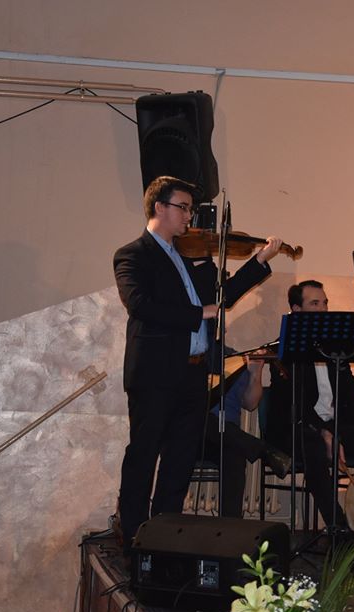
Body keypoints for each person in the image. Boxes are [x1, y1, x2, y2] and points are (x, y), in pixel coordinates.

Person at [113, 175, 283, 551]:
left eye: (190, 209)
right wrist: (196, 313)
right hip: (155, 374)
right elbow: (139, 304)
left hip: (193, 374)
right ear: (160, 207)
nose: (189, 216)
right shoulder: (133, 254)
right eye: (184, 207)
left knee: (180, 460)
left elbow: (221, 299)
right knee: (144, 454)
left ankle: (164, 536)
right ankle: (135, 537)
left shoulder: (189, 258)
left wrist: (258, 261)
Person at [267, 280, 354, 531]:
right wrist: (324, 432)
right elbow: (296, 405)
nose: (323, 309)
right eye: (315, 304)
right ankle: (339, 528)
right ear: (296, 310)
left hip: (332, 427)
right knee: (313, 446)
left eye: (325, 303)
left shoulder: (335, 349)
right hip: (295, 429)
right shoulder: (285, 349)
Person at [199, 351, 291, 518]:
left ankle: (230, 525)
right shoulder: (195, 358)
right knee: (204, 418)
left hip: (227, 439)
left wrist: (255, 374)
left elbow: (250, 404)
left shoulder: (234, 358)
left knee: (234, 453)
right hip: (195, 435)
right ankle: (264, 450)